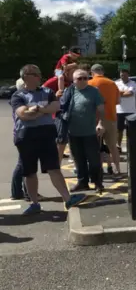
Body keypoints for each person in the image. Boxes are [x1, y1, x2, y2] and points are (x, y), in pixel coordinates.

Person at [10, 64, 86, 215]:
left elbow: (56, 106)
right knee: (29, 172)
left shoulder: (47, 91)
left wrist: (38, 109)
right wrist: (43, 110)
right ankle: (34, 203)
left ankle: (67, 199)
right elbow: (23, 115)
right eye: (36, 75)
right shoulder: (18, 95)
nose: (40, 77)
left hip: (46, 134)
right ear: (27, 77)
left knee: (54, 169)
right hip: (26, 136)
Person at [60, 69, 106, 193]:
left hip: (90, 132)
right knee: (78, 159)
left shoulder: (93, 92)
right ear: (73, 81)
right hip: (73, 132)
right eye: (80, 78)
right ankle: (82, 182)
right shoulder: (69, 91)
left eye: (85, 78)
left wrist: (101, 123)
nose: (83, 80)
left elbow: (101, 109)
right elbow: (61, 107)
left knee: (94, 160)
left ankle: (97, 183)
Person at [89, 64, 122, 176]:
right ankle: (117, 169)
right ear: (103, 71)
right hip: (111, 117)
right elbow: (118, 101)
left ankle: (98, 170)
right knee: (113, 146)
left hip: (95, 119)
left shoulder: (89, 84)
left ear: (92, 73)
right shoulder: (112, 83)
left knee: (95, 146)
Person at [115, 69, 136, 151]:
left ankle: (131, 147)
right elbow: (115, 93)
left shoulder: (133, 83)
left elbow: (130, 94)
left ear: (128, 75)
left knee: (130, 130)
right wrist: (122, 92)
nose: (123, 77)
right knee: (119, 130)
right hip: (119, 110)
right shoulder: (116, 83)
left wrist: (120, 93)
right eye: (121, 75)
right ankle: (118, 146)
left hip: (131, 110)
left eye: (124, 75)